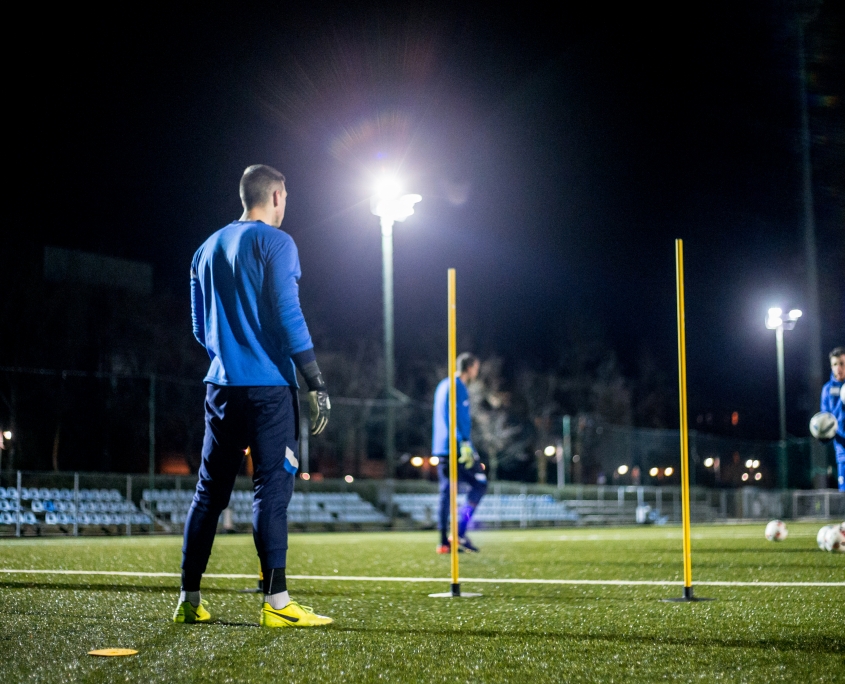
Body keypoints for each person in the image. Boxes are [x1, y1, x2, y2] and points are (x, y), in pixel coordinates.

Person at [175, 164, 332, 628]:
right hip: (267, 390)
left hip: (220, 386)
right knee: (271, 489)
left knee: (208, 494)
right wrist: (315, 380)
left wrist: (230, 354)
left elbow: (200, 329)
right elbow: (288, 311)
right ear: (278, 195)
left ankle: (189, 598)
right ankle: (277, 604)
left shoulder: (205, 248)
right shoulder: (277, 242)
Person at [432, 352, 487, 553]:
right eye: (476, 367)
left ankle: (443, 543)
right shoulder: (457, 387)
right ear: (470, 367)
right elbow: (452, 416)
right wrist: (464, 442)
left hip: (442, 448)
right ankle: (460, 532)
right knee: (480, 484)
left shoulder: (442, 385)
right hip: (456, 447)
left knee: (447, 492)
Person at [820, 347, 845, 491]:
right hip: (842, 449)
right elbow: (826, 419)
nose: (839, 368)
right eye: (835, 364)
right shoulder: (827, 390)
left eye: (842, 363)